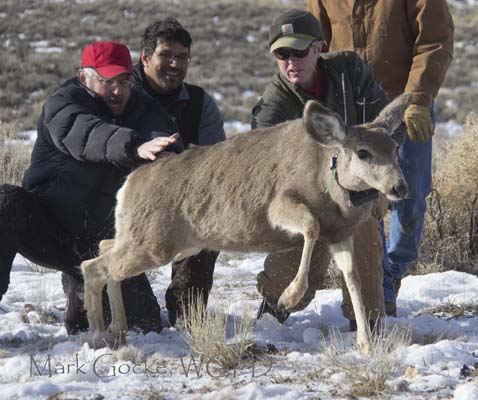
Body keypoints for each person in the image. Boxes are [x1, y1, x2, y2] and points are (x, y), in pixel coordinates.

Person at [0, 41, 181, 334]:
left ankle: (81, 294)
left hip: (103, 244)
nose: (117, 91)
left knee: (143, 327)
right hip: (49, 229)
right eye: (107, 81)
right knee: (5, 201)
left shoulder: (143, 107)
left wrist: (165, 156)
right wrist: (136, 146)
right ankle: (81, 287)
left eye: (124, 81)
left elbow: (164, 137)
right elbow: (88, 134)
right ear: (83, 77)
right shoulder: (63, 103)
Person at [308, 0, 454, 316]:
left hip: (404, 105)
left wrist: (418, 99)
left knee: (409, 197)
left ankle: (392, 273)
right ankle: (376, 287)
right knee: (359, 199)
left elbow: (435, 40)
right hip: (352, 111)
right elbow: (315, 46)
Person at [252, 9, 389, 330]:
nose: (290, 61)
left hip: (358, 185)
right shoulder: (272, 107)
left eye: (298, 52)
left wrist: (379, 182)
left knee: (363, 226)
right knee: (298, 273)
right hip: (303, 198)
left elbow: (381, 125)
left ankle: (368, 321)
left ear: (318, 48)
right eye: (281, 53)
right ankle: (274, 303)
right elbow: (270, 176)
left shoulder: (349, 70)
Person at [131, 18, 226, 326]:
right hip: (119, 205)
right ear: (145, 57)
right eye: (166, 55)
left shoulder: (200, 104)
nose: (175, 64)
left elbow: (215, 166)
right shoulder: (119, 93)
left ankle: (187, 307)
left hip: (180, 205)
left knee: (210, 219)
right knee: (138, 321)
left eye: (182, 57)